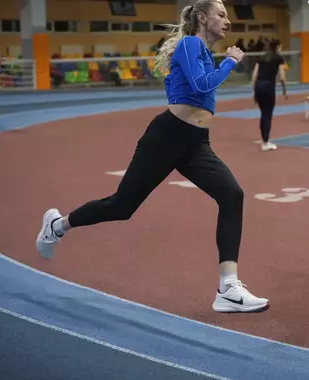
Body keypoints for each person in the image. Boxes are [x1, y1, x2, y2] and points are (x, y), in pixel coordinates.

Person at [35, 0, 269, 313]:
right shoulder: (189, 44)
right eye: (221, 14)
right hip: (167, 136)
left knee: (232, 195)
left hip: (196, 142)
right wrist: (230, 62)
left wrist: (220, 63)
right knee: (122, 206)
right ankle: (58, 225)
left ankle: (228, 287)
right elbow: (201, 86)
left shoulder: (204, 53)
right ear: (203, 17)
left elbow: (196, 89)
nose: (228, 21)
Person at [251, 39, 287, 152]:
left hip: (259, 87)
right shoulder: (278, 58)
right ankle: (265, 143)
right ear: (277, 47)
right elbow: (282, 76)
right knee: (267, 114)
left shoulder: (261, 57)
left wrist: (254, 91)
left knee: (263, 114)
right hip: (268, 87)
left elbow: (254, 75)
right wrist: (285, 89)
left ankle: (264, 140)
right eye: (280, 47)